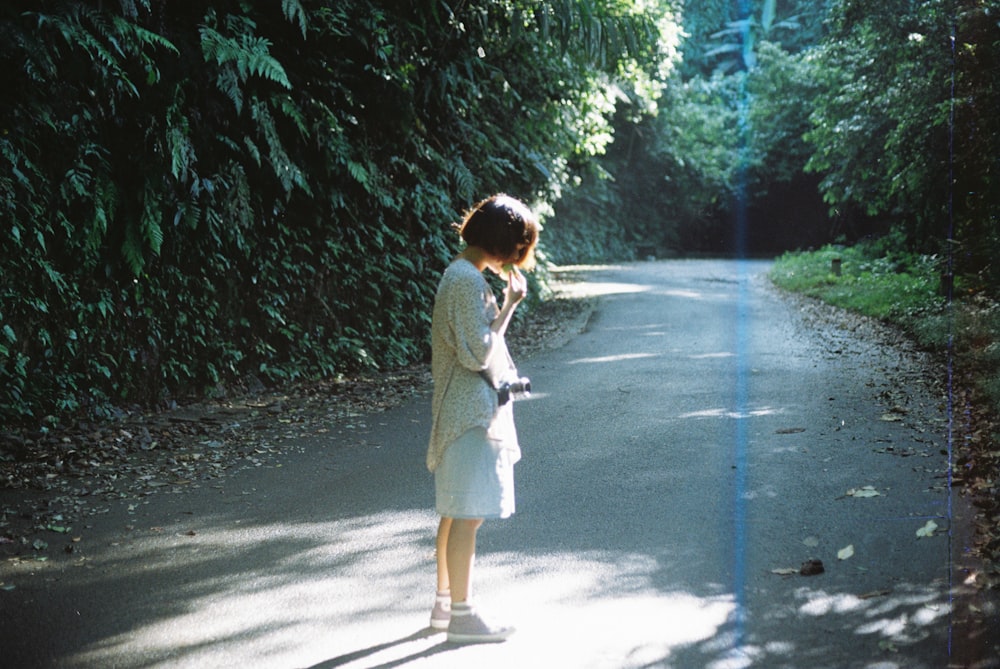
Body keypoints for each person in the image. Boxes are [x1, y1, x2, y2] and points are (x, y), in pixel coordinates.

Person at [425, 193, 540, 644]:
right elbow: (479, 353)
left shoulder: (463, 277)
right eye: (517, 248)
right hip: (468, 414)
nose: (516, 258)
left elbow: (477, 347)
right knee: (468, 515)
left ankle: (443, 605)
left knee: (456, 512)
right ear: (502, 243)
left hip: (463, 411)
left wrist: (505, 302)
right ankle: (462, 615)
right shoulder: (464, 281)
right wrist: (510, 305)